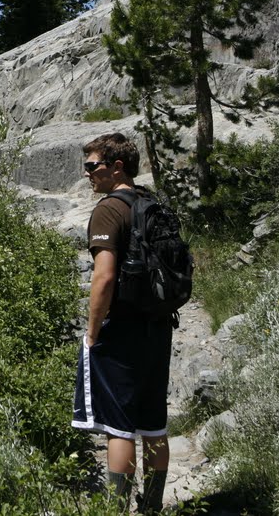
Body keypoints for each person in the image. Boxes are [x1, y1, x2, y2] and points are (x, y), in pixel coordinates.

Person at [71, 133, 172, 514]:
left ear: (116, 167)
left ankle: (116, 509)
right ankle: (151, 508)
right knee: (154, 422)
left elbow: (104, 278)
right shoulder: (151, 202)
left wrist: (93, 333)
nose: (87, 174)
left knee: (119, 426)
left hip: (123, 329)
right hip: (159, 326)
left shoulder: (109, 210)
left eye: (92, 166)